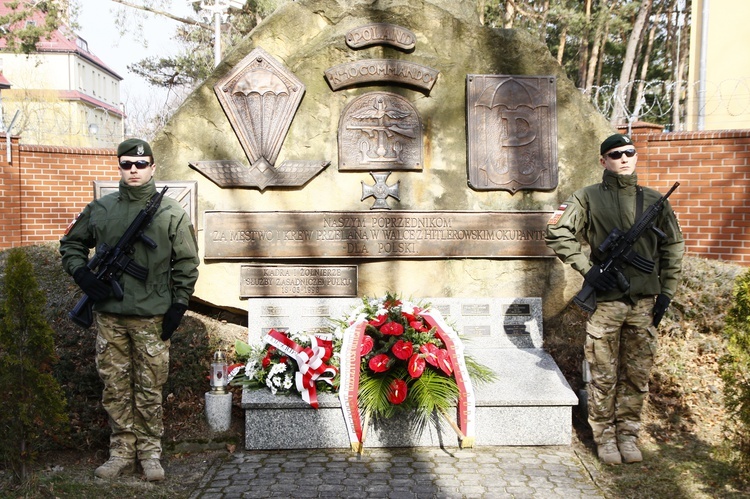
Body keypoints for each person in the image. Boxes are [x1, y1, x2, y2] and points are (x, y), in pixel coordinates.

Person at [60, 138, 200, 481]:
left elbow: (187, 263)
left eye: (140, 164)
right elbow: (71, 245)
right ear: (119, 167)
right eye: (126, 164)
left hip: (152, 316)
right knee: (115, 387)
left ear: (152, 166)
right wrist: (82, 274)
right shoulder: (102, 209)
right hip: (110, 315)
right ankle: (120, 452)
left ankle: (150, 455)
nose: (133, 170)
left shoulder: (171, 212)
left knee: (150, 387)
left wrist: (179, 305)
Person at [545, 133, 684, 465]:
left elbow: (673, 247)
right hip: (606, 304)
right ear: (603, 161)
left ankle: (629, 435)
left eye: (629, 152)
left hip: (644, 303)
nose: (624, 158)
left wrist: (667, 291)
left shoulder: (655, 200)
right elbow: (557, 232)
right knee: (603, 374)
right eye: (615, 153)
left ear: (636, 157)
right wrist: (588, 269)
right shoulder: (588, 198)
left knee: (637, 374)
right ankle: (605, 438)